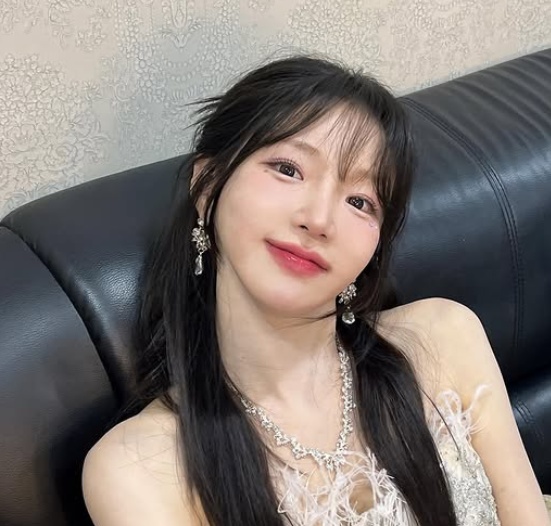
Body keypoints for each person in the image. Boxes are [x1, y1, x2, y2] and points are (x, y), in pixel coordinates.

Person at [81, 55, 551, 526]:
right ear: (207, 185)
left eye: (360, 201)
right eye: (288, 169)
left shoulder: (445, 338)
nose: (320, 220)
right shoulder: (139, 470)